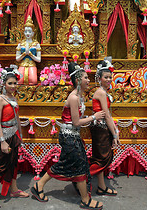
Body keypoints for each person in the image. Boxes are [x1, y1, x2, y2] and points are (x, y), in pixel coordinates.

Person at [30, 62, 105, 210]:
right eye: (85, 77)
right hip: (69, 135)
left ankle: (39, 185)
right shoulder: (74, 98)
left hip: (72, 135)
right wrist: (94, 117)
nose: (88, 80)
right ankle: (85, 200)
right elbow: (76, 122)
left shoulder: (79, 95)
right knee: (80, 167)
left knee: (68, 164)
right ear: (77, 80)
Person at [0, 66, 29, 198]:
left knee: (13, 163)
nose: (13, 86)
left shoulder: (14, 98)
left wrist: (20, 135)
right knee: (2, 165)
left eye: (15, 83)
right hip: (3, 135)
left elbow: (17, 118)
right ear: (4, 84)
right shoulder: (0, 99)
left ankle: (14, 190)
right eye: (10, 83)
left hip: (14, 134)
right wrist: (2, 141)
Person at [89, 58, 120, 196]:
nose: (109, 79)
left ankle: (101, 187)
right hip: (99, 128)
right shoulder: (101, 93)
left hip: (102, 128)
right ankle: (81, 176)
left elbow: (108, 115)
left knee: (100, 157)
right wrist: (114, 134)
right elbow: (107, 115)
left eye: (110, 77)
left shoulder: (104, 92)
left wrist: (114, 130)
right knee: (102, 158)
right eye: (106, 77)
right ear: (99, 78)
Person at [16, 15, 41, 85]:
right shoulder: (20, 44)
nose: (27, 33)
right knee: (19, 81)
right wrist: (24, 54)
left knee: (33, 81)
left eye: (29, 31)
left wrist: (30, 54)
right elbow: (17, 59)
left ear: (33, 33)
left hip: (32, 64)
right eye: (26, 31)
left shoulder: (36, 44)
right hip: (22, 63)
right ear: (23, 32)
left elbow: (39, 60)